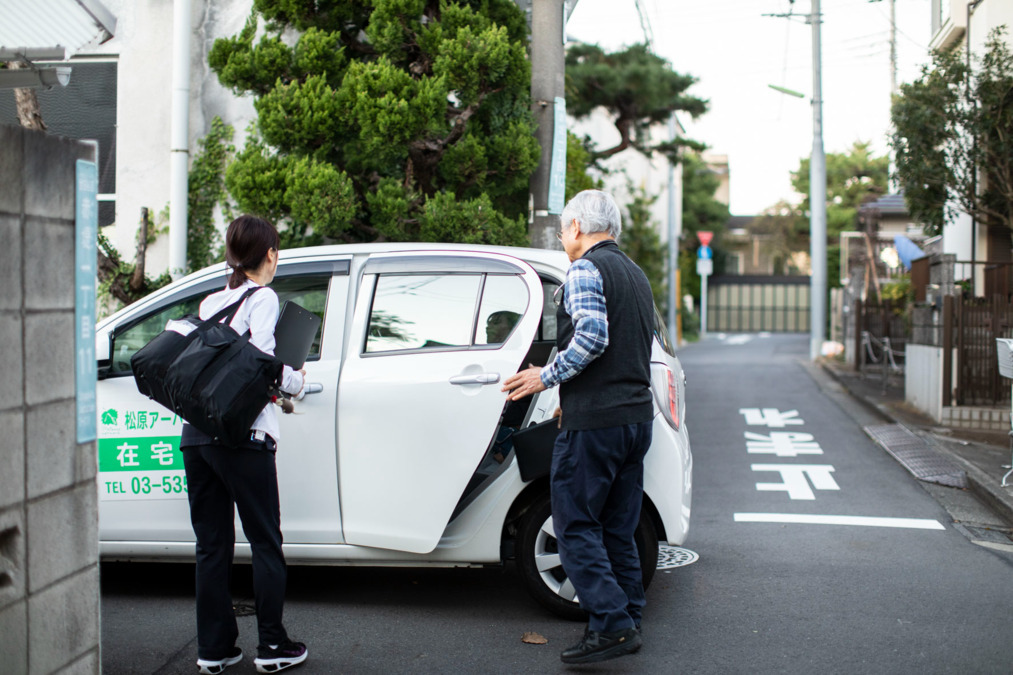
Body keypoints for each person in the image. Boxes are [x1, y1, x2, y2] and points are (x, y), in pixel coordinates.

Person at [502, 190, 655, 665]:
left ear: (575, 227)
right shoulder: (635, 274)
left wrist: (544, 377)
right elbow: (628, 347)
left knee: (574, 525)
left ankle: (611, 625)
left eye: (562, 229)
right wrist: (573, 398)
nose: (562, 237)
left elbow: (592, 336)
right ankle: (627, 616)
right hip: (634, 419)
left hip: (597, 425)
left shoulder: (586, 269)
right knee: (618, 527)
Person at [179, 215, 308, 675]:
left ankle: (214, 650)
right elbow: (264, 361)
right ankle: (272, 646)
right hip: (244, 436)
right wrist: (297, 381)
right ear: (269, 254)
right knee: (265, 542)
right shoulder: (263, 296)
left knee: (211, 546)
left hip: (197, 436)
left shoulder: (212, 300)